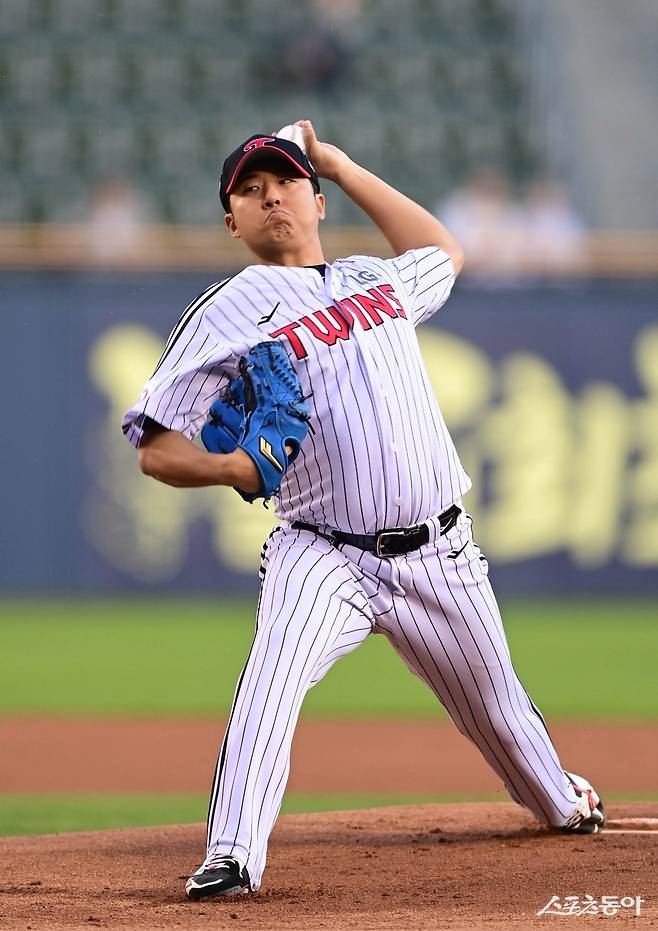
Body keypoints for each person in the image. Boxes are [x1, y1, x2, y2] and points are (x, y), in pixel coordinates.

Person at [122, 120, 605, 901]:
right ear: (231, 221)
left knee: (499, 713)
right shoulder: (228, 309)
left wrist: (342, 165)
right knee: (272, 677)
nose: (271, 196)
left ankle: (560, 797)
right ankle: (233, 854)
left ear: (317, 201)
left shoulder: (374, 279)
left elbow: (444, 249)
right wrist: (232, 466)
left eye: (287, 181)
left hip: (438, 552)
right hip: (322, 552)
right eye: (250, 189)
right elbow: (154, 446)